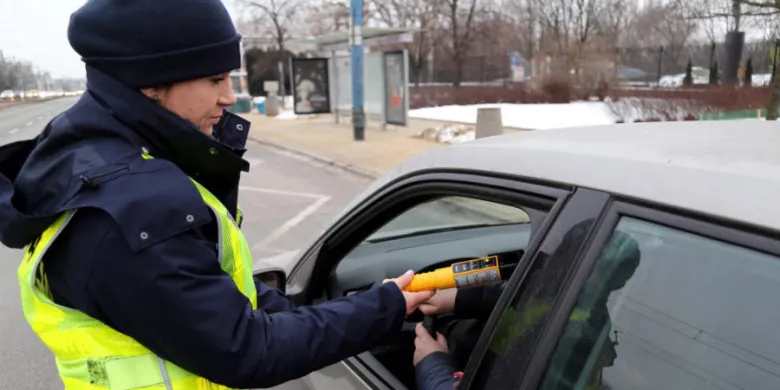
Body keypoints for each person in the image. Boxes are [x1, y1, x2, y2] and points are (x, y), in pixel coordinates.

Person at [0, 1, 434, 389]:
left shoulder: (84, 153)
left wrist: (363, 307)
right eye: (215, 78)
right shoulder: (133, 205)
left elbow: (212, 286)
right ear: (150, 82)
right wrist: (383, 308)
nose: (230, 96)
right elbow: (248, 352)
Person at [412, 229, 641, 390]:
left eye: (575, 263)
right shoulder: (569, 297)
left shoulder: (574, 338)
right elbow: (532, 291)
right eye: (563, 257)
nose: (556, 266)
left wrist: (434, 365)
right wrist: (460, 298)